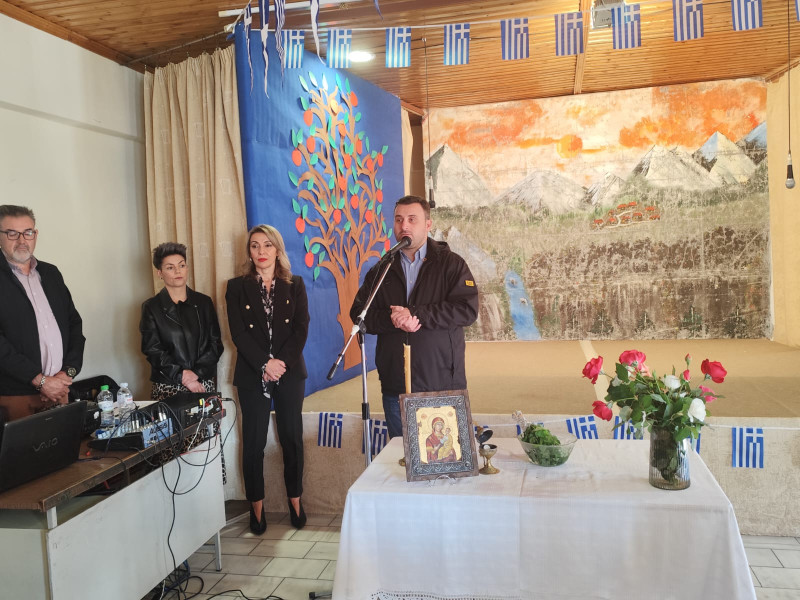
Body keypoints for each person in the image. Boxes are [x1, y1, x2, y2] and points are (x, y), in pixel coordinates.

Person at [350, 195, 479, 439]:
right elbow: (359, 314)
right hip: (396, 383)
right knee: (401, 455)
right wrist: (393, 319)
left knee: (446, 455)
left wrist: (416, 315)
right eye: (399, 220)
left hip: (441, 381)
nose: (404, 226)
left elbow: (467, 309)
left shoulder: (451, 264)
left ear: (428, 225)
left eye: (412, 219)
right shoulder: (382, 268)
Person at [226, 225, 310, 534]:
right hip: (253, 373)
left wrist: (279, 364)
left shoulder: (295, 284)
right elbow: (238, 333)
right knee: (254, 443)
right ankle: (256, 508)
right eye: (255, 245)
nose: (261, 251)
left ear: (277, 249)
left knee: (292, 439)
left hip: (289, 372)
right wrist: (265, 364)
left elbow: (301, 328)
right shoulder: (236, 287)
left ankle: (295, 501)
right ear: (249, 251)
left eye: (267, 245)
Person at [0, 205, 85, 421]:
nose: (22, 240)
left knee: (66, 444)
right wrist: (40, 381)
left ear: (35, 234)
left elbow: (74, 325)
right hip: (16, 397)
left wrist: (66, 374)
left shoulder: (50, 273)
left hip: (59, 391)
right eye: (12, 233)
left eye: (28, 232)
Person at [139, 242, 224, 401]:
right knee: (169, 419)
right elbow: (152, 349)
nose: (178, 271)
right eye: (170, 267)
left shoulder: (204, 302)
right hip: (168, 385)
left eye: (181, 265)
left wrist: (196, 374)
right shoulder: (151, 307)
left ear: (187, 268)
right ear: (160, 273)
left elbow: (215, 344)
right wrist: (182, 376)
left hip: (202, 383)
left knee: (207, 418)